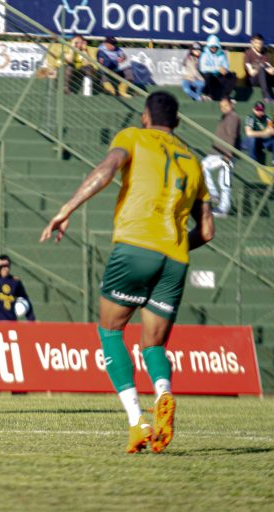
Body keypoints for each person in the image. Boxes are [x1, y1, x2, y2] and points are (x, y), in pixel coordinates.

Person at [40, 91, 214, 453]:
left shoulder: (133, 136)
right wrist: (176, 248)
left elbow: (106, 171)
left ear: (146, 117)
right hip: (176, 257)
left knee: (110, 331)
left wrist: (67, 209)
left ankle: (137, 421)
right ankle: (163, 392)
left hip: (136, 246)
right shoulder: (194, 161)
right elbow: (209, 230)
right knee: (153, 344)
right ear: (178, 122)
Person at [202, 98, 241, 216]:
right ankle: (219, 203)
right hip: (218, 152)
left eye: (225, 105)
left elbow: (232, 135)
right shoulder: (225, 117)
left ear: (231, 105)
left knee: (223, 180)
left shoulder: (233, 117)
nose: (223, 108)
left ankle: (220, 204)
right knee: (222, 179)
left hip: (225, 154)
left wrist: (228, 154)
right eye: (221, 106)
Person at [242, 101, 274, 166]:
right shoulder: (251, 117)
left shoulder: (266, 118)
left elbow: (273, 131)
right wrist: (264, 133)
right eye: (258, 110)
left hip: (261, 142)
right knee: (252, 138)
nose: (260, 112)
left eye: (261, 110)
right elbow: (249, 133)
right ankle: (252, 161)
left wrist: (271, 130)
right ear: (254, 109)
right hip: (249, 143)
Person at [199, 35, 236, 101]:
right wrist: (217, 68)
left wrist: (225, 70)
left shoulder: (221, 54)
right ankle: (207, 95)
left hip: (218, 77)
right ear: (209, 46)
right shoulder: (204, 54)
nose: (213, 48)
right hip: (210, 78)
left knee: (232, 75)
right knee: (207, 75)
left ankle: (225, 96)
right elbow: (203, 68)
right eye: (211, 46)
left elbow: (226, 67)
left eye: (215, 46)